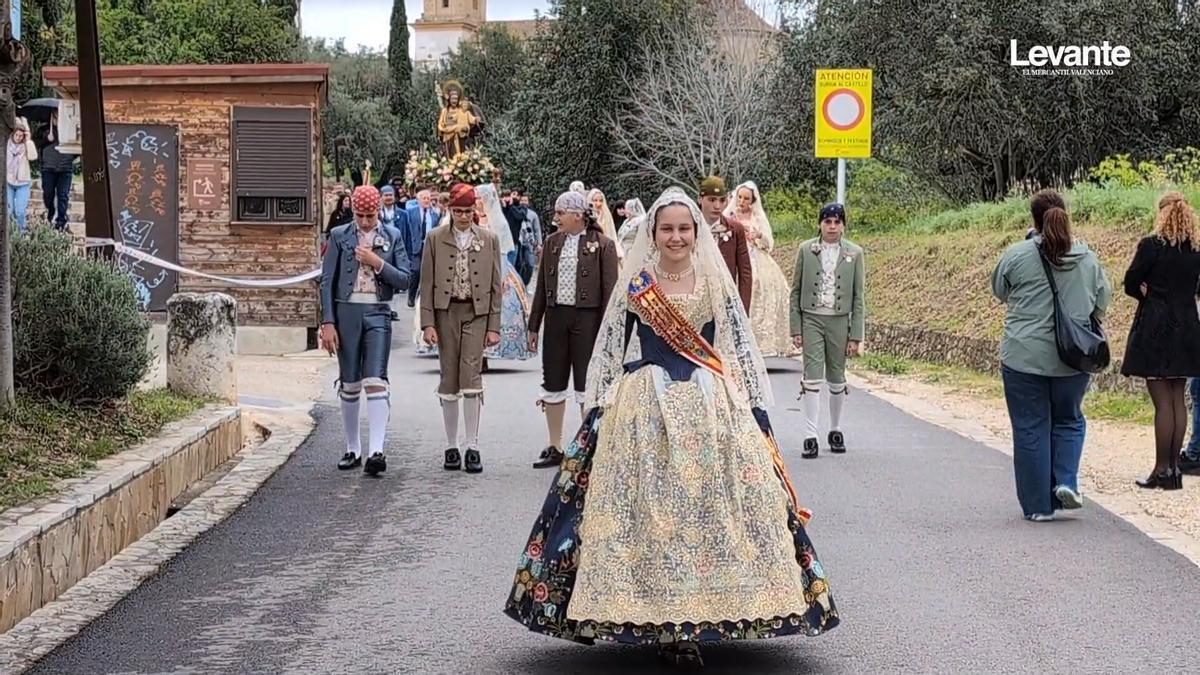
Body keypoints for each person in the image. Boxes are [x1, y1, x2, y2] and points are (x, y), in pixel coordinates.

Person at [503, 188, 838, 666]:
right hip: (644, 404)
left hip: (709, 399)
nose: (676, 236)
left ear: (695, 231)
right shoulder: (636, 281)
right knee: (647, 508)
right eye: (667, 229)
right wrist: (598, 404)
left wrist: (752, 406)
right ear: (653, 234)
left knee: (711, 506)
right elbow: (610, 347)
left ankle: (703, 615)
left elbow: (738, 346)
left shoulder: (713, 281)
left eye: (684, 228)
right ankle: (656, 617)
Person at [991, 189, 1111, 520]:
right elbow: (1101, 303)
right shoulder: (1087, 258)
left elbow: (999, 290)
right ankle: (1066, 482)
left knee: (1031, 426)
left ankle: (1038, 508)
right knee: (1069, 419)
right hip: (1073, 359)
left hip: (1022, 357)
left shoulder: (1017, 254)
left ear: (1034, 220)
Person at [319, 185, 411, 477]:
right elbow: (326, 282)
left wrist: (378, 263)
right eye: (360, 215)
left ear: (379, 213)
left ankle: (377, 450)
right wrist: (328, 322)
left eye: (371, 215)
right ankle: (352, 447)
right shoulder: (338, 236)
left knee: (376, 378)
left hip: (378, 311)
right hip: (346, 311)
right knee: (349, 382)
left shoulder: (392, 236)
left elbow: (405, 279)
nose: (366, 221)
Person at [527, 191, 619, 469]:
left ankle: (587, 447)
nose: (556, 218)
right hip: (557, 317)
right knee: (553, 379)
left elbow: (610, 292)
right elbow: (542, 288)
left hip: (588, 319)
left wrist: (608, 330)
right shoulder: (552, 243)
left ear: (578, 215)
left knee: (586, 381)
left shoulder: (603, 245)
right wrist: (534, 326)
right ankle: (555, 445)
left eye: (560, 213)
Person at [419, 183, 502, 474]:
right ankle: (451, 445)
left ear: (474, 210)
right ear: (449, 210)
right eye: (458, 211)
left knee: (472, 376)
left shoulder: (489, 239)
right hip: (446, 311)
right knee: (449, 378)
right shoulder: (435, 238)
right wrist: (427, 323)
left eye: (468, 211)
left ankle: (473, 446)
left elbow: (495, 287)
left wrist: (494, 326)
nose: (463, 216)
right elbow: (426, 283)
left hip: (476, 312)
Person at [1119, 191, 1200, 490]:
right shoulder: (1195, 249)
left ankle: (1160, 469)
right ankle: (1175, 470)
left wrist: (1146, 293)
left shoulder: (1151, 245)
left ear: (1162, 213)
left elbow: (1130, 282)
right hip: (1188, 327)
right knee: (1179, 398)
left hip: (1156, 324)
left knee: (1162, 402)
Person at [789, 203, 866, 459]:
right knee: (811, 375)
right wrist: (796, 327)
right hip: (812, 317)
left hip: (839, 320)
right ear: (820, 224)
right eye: (827, 222)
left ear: (843, 225)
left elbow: (858, 297)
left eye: (837, 222)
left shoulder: (855, 253)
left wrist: (856, 335)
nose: (832, 227)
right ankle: (810, 434)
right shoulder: (806, 250)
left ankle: (835, 429)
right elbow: (796, 291)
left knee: (836, 376)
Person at [726, 181, 794, 357]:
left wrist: (758, 236)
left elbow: (769, 243)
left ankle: (762, 343)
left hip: (756, 256)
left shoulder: (757, 216)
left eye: (746, 198)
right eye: (739, 197)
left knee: (768, 286)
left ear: (752, 200)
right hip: (734, 257)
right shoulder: (729, 215)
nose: (742, 201)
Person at [476, 183, 536, 362]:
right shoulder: (471, 218)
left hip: (496, 267)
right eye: (477, 199)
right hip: (474, 269)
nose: (478, 203)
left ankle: (496, 348)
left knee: (503, 310)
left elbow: (503, 251)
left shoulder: (498, 221)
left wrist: (501, 276)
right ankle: (477, 354)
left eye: (481, 199)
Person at [697, 176, 752, 312]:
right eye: (711, 200)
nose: (717, 206)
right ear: (700, 199)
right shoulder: (690, 227)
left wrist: (742, 311)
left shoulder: (735, 229)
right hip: (696, 301)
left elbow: (745, 273)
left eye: (722, 200)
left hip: (725, 301)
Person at [33, 112, 76, 232]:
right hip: (48, 168)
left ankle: (61, 221)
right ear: (51, 115)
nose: (58, 116)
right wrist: (47, 139)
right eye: (55, 114)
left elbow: (76, 145)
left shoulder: (69, 129)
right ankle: (50, 212)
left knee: (63, 196)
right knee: (48, 194)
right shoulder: (44, 129)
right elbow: (36, 143)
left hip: (65, 168)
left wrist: (70, 157)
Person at [404, 189, 441, 308]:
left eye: (428, 198)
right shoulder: (410, 212)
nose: (426, 201)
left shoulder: (434, 214)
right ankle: (411, 295)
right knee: (415, 271)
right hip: (415, 247)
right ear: (418, 200)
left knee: (427, 273)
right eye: (424, 198)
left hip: (429, 247)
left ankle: (422, 297)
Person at [7, 118, 37, 235]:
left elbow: (33, 157)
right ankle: (10, 233)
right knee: (9, 211)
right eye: (17, 135)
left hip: (23, 182)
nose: (18, 138)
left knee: (20, 211)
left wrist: (28, 141)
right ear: (13, 134)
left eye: (21, 136)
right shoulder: (7, 144)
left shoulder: (26, 145)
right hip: (9, 180)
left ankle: (21, 233)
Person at [587, 188, 624, 259]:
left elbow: (612, 234)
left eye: (601, 201)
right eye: (595, 200)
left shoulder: (606, 215)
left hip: (605, 248)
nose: (598, 203)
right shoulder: (587, 216)